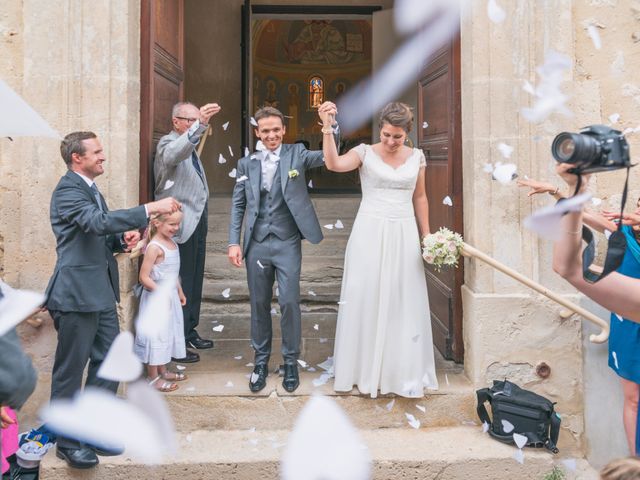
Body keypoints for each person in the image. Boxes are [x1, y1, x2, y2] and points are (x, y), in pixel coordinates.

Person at [45, 131, 180, 469]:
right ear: (78, 157)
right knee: (70, 369)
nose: (103, 156)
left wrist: (122, 239)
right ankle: (67, 440)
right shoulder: (67, 191)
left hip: (100, 293)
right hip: (75, 295)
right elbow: (94, 222)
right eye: (97, 152)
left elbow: (98, 235)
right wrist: (149, 209)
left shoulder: (91, 191)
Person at [319, 101, 438, 397]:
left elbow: (420, 198)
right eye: (386, 134)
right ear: (380, 129)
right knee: (367, 296)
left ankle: (400, 372)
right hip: (369, 232)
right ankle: (364, 370)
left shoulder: (417, 157)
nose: (390, 141)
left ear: (407, 134)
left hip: (403, 231)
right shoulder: (364, 153)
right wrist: (326, 127)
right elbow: (333, 164)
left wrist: (427, 237)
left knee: (403, 300)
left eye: (397, 136)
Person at [520, 176, 640, 455]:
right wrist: (555, 190)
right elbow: (580, 214)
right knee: (633, 396)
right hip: (628, 324)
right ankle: (635, 462)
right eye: (638, 206)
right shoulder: (619, 232)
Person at [228, 105, 339, 393]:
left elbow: (329, 158)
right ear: (257, 132)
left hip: (287, 241)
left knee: (289, 301)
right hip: (256, 244)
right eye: (265, 131)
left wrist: (329, 126)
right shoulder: (246, 163)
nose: (271, 135)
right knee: (258, 303)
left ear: (283, 130)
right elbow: (239, 204)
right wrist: (233, 242)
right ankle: (261, 361)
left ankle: (290, 361)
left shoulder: (296, 154)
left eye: (276, 129)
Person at [154, 101, 221, 363]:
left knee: (194, 280)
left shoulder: (188, 145)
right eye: (190, 120)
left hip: (195, 220)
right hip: (177, 225)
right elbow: (173, 156)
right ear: (176, 122)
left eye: (197, 120)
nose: (195, 125)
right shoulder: (167, 145)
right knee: (181, 282)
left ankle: (189, 329)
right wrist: (201, 126)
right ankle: (176, 340)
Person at [134, 210, 189, 393]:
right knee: (156, 336)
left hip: (170, 297)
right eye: (172, 224)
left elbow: (173, 275)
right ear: (157, 223)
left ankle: (163, 370)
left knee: (167, 333)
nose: (176, 228)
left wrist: (179, 291)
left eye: (178, 224)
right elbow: (144, 277)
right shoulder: (154, 247)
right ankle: (153, 377)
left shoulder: (172, 243)